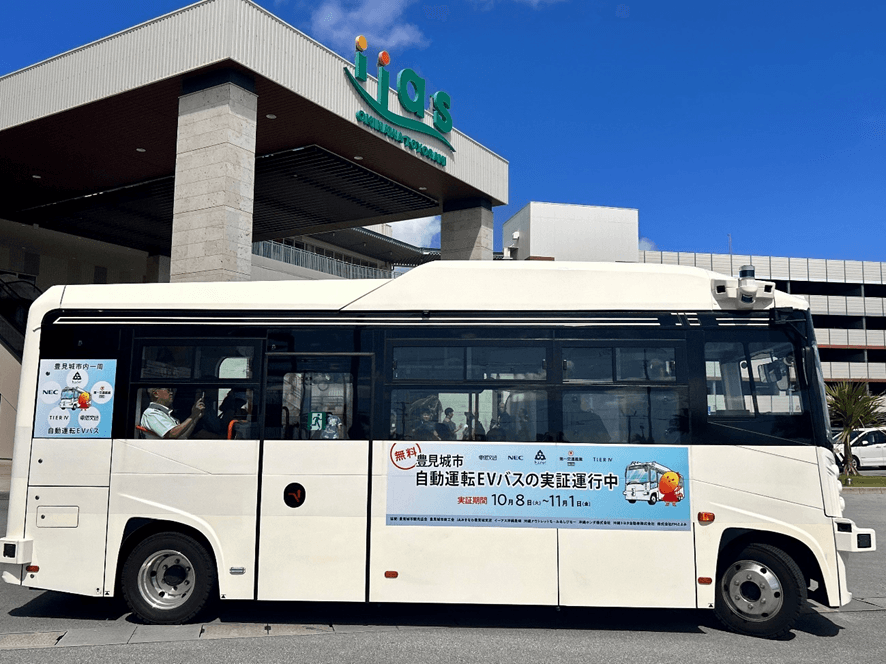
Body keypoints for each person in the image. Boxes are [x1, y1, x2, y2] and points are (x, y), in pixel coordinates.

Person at [141, 387, 205, 439]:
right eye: (168, 390)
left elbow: (182, 437)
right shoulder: (152, 414)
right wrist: (192, 416)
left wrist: (195, 417)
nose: (171, 393)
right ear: (155, 394)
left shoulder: (165, 414)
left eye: (172, 390)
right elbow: (172, 434)